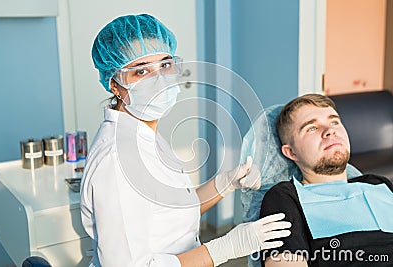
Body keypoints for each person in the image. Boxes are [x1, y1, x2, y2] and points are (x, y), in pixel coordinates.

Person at [80, 14, 291, 267]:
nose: (158, 80)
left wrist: (225, 183)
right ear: (115, 84)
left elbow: (171, 210)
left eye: (166, 65)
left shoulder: (143, 134)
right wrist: (224, 248)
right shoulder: (118, 161)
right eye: (141, 71)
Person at [258, 94, 393, 266]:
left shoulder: (377, 183)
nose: (330, 130)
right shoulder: (285, 197)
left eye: (334, 122)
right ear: (291, 152)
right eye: (312, 128)